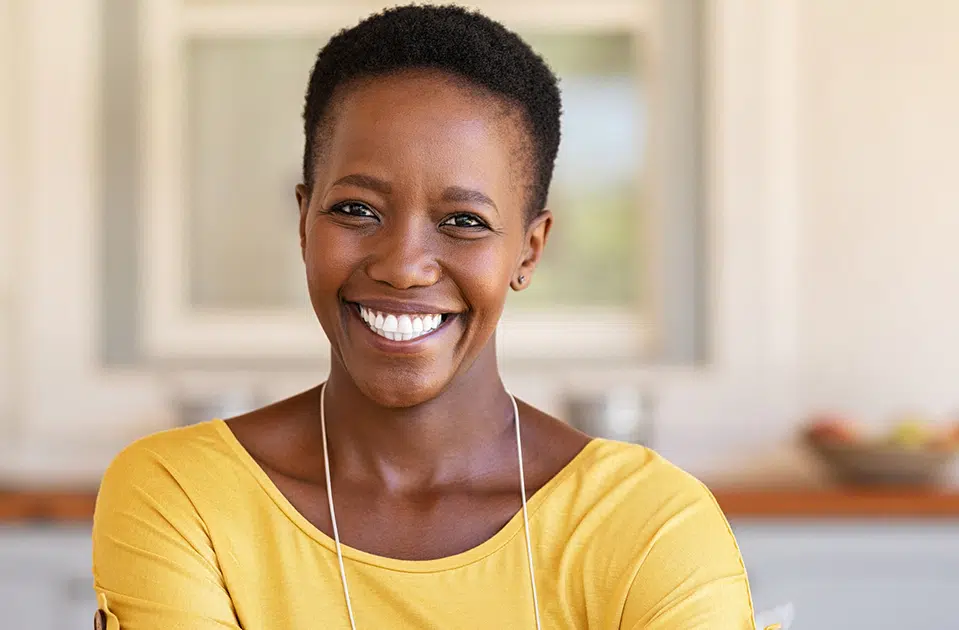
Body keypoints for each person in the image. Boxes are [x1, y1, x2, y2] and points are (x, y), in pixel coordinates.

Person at [92, 5, 757, 628]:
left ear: (529, 250)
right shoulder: (184, 496)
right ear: (303, 221)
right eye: (356, 210)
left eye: (464, 221)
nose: (403, 265)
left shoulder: (649, 523)